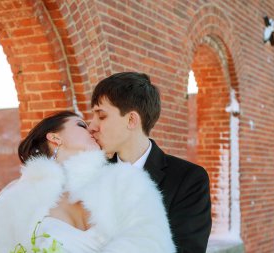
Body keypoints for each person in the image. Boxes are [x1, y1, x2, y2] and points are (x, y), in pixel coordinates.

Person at [0, 111, 175, 253]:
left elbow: (154, 242)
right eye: (81, 125)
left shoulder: (126, 181)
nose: (92, 128)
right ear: (55, 137)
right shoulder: (18, 199)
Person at [89, 72, 212, 253]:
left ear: (131, 120)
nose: (92, 126)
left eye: (101, 116)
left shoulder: (188, 179)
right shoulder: (93, 174)